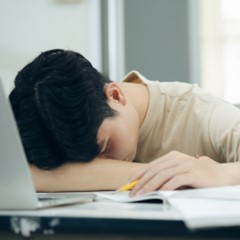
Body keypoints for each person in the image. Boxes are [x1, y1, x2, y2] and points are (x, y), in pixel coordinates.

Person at [9, 49, 240, 196]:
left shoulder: (203, 112)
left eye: (105, 147)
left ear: (116, 95)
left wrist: (220, 174)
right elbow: (19, 174)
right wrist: (158, 175)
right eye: (85, 162)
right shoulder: (67, 131)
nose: (98, 164)